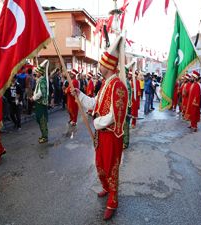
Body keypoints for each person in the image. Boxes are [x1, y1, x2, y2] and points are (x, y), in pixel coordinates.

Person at [75, 35, 128, 220]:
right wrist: (79, 94)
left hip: (111, 135)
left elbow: (115, 115)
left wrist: (97, 122)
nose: (99, 65)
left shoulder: (118, 86)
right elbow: (94, 103)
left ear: (109, 66)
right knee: (100, 165)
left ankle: (113, 200)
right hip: (102, 135)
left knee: (111, 167)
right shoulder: (105, 84)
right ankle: (106, 188)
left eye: (101, 63)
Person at [30, 60, 49, 144]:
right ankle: (43, 135)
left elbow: (40, 93)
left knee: (42, 120)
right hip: (39, 103)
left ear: (40, 73)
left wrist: (33, 98)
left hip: (41, 104)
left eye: (37, 72)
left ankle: (45, 136)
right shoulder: (40, 80)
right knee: (40, 119)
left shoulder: (42, 81)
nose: (35, 73)